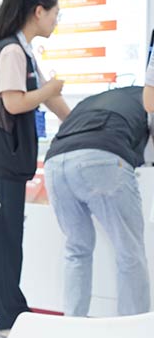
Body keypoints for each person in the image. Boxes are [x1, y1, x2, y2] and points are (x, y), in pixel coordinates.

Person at [0, 0, 70, 334]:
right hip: (0, 158)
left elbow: (49, 99)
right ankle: (9, 314)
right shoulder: (11, 51)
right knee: (5, 237)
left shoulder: (21, 51)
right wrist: (50, 89)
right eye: (55, 13)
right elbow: (14, 102)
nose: (56, 20)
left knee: (0, 237)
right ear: (39, 12)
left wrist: (78, 122)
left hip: (2, 158)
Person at [44, 86, 151, 317]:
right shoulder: (148, 97)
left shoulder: (95, 100)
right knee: (129, 252)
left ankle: (73, 322)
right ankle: (132, 328)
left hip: (54, 163)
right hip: (102, 159)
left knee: (76, 250)